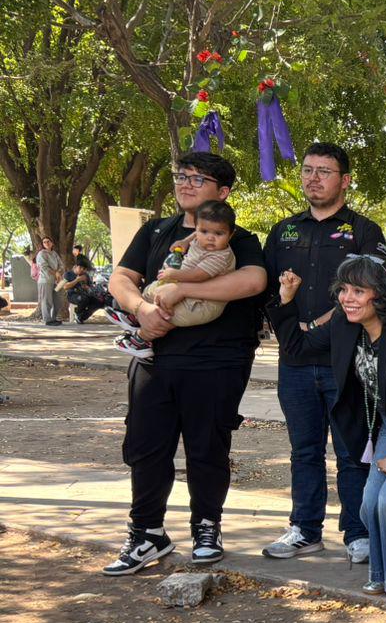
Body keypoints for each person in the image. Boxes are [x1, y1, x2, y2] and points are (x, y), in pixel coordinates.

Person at [103, 151, 267, 574]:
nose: (186, 183)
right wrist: (142, 309)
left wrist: (177, 292)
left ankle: (206, 529)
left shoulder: (239, 238)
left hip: (215, 361)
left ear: (223, 192)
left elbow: (253, 280)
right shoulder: (157, 231)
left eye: (198, 179)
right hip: (155, 358)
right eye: (182, 176)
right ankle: (146, 534)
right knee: (145, 446)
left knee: (207, 447)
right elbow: (121, 278)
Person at [272, 257, 386, 602]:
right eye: (343, 289)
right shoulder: (344, 323)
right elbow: (297, 350)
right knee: (369, 502)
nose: (347, 298)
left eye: (359, 290)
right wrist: (286, 300)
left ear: (381, 295)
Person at [261, 142, 386, 562]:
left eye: (324, 171)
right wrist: (289, 319)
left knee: (353, 450)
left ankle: (358, 532)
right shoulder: (284, 230)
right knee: (304, 449)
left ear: (345, 181)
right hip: (295, 361)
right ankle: (304, 528)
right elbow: (266, 290)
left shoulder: (364, 231)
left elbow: (375, 290)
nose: (313, 178)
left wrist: (319, 323)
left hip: (345, 360)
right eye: (308, 170)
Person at [109, 200, 237, 359]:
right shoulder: (200, 236)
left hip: (203, 304)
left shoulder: (220, 255)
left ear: (231, 234)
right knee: (153, 289)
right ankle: (136, 316)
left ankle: (142, 339)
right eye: (204, 231)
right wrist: (185, 241)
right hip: (189, 293)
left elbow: (199, 275)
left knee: (165, 315)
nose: (210, 238)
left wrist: (173, 274)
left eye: (218, 234)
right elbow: (196, 233)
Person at [34, 236, 64, 324]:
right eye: (44, 242)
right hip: (45, 281)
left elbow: (61, 265)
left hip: (57, 281)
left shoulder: (54, 253)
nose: (46, 243)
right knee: (46, 301)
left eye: (48, 241)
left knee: (57, 300)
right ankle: (48, 320)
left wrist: (59, 273)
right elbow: (44, 267)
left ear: (52, 243)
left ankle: (54, 318)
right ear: (42, 244)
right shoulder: (41, 254)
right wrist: (56, 273)